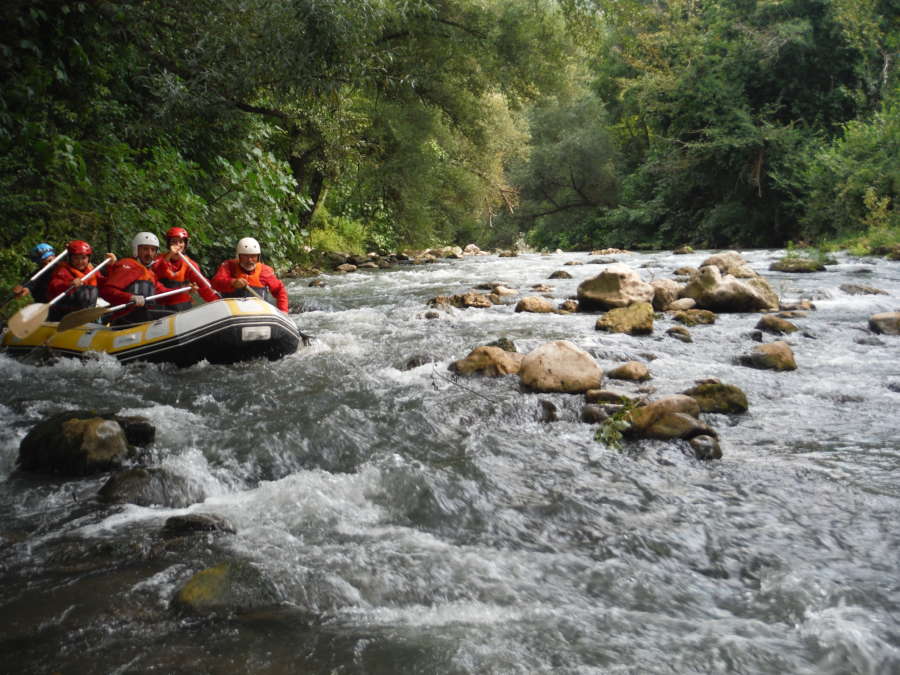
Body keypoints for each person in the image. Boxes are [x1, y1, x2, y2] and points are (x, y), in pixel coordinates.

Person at [100, 232, 170, 325]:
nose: (149, 253)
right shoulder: (128, 266)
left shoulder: (150, 274)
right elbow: (107, 291)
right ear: (136, 250)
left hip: (143, 316)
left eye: (153, 250)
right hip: (125, 318)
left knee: (172, 316)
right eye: (145, 249)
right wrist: (130, 297)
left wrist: (185, 292)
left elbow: (164, 293)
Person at [211, 237, 289, 312]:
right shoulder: (228, 266)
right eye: (245, 256)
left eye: (253, 256)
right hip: (231, 311)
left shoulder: (265, 271)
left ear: (258, 257)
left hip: (258, 312)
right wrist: (232, 282)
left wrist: (283, 310)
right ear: (238, 256)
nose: (249, 260)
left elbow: (280, 290)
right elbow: (215, 283)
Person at [151, 226, 218, 311]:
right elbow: (155, 272)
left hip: (181, 305)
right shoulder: (158, 259)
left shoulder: (190, 264)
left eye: (181, 242)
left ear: (185, 244)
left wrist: (216, 301)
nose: (178, 245)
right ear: (169, 244)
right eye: (174, 242)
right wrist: (169, 255)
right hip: (161, 304)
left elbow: (203, 286)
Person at [46, 241, 115, 321]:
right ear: (70, 258)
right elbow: (55, 285)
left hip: (84, 310)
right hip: (63, 311)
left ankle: (91, 320)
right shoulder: (62, 270)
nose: (80, 262)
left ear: (88, 258)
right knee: (88, 290)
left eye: (83, 258)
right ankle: (86, 320)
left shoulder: (91, 270)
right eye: (76, 258)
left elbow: (106, 284)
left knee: (92, 290)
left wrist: (111, 267)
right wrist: (70, 284)